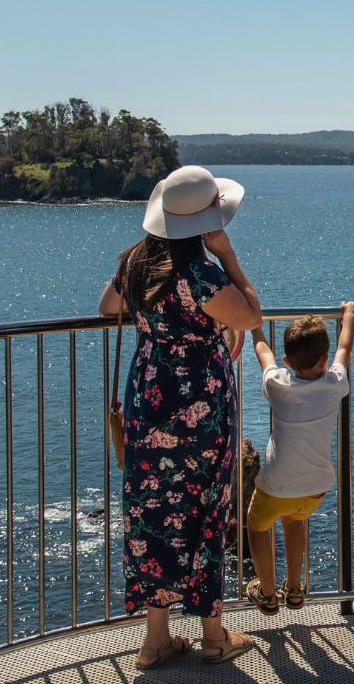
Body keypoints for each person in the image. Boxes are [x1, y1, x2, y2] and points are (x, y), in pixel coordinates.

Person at [99, 165, 261, 668]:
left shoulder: (134, 264)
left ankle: (155, 641)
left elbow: (107, 307)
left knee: (152, 514)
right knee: (207, 510)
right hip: (201, 409)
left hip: (150, 400)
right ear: (208, 222)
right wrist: (228, 254)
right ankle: (213, 636)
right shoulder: (203, 273)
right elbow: (251, 314)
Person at [241, 302, 354, 614]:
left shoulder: (277, 384)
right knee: (295, 522)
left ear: (288, 361)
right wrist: (349, 315)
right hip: (315, 488)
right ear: (323, 359)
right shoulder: (335, 385)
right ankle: (294, 588)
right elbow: (344, 347)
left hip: (276, 486)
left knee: (256, 527)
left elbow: (261, 349)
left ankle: (266, 592)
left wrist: (254, 323)